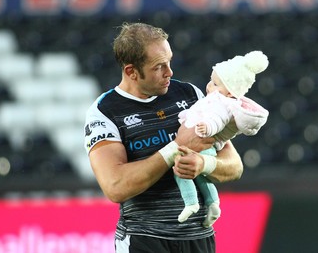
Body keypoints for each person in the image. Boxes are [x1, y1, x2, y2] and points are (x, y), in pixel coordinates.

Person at [84, 22, 243, 253]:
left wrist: (204, 164)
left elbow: (235, 166)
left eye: (169, 61)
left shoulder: (191, 95)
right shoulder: (104, 112)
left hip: (199, 239)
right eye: (159, 66)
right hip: (144, 240)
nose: (170, 72)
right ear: (131, 71)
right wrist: (175, 148)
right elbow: (115, 186)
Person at [175, 51, 270, 227]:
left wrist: (207, 127)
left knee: (181, 167)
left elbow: (217, 119)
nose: (209, 86)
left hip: (202, 141)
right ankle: (212, 203)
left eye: (215, 83)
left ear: (229, 90)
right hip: (203, 142)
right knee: (201, 175)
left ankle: (190, 202)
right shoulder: (217, 100)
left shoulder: (221, 102)